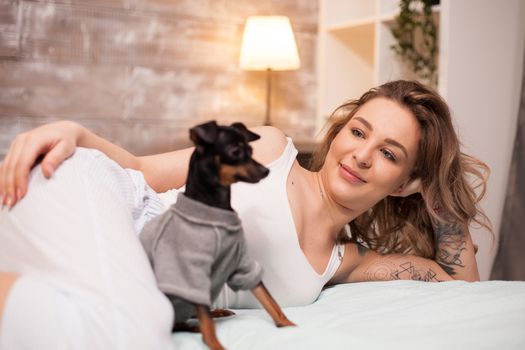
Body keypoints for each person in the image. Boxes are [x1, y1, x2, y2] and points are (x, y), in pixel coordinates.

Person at [0, 80, 492, 348]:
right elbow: (140, 170)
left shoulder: (344, 262)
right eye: (359, 132)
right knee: (139, 325)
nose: (362, 155)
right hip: (96, 197)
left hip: (94, 264)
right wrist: (73, 131)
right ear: (340, 133)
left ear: (405, 183)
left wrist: (441, 193)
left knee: (102, 321)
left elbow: (461, 286)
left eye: (390, 153)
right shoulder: (272, 150)